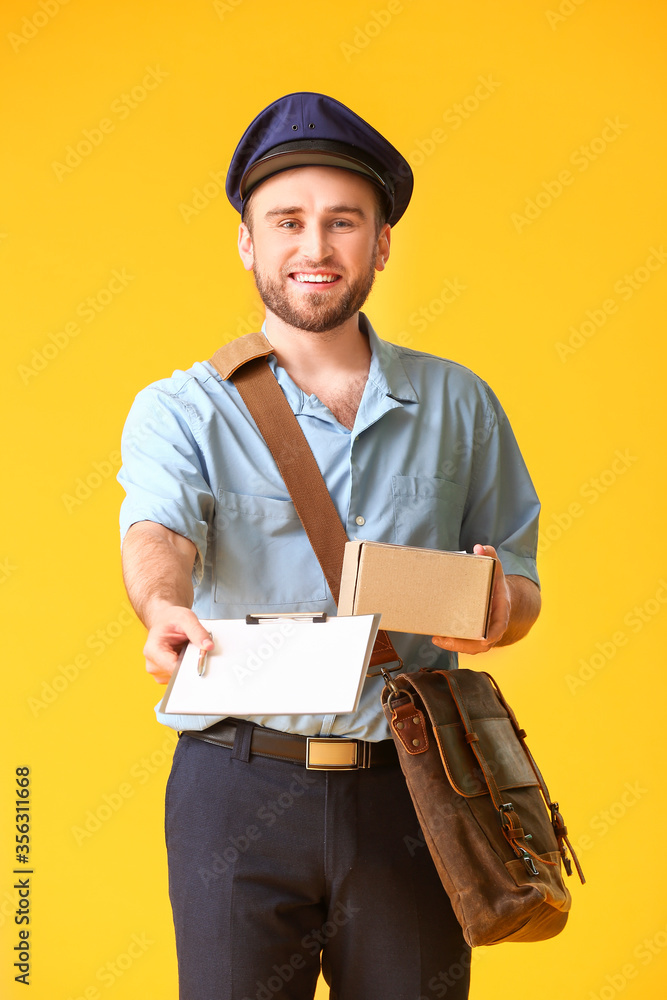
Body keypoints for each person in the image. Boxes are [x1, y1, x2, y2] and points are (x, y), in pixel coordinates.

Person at [118, 92, 541, 1000]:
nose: (314, 248)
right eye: (288, 222)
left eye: (342, 222)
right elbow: (157, 529)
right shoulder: (181, 408)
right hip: (234, 784)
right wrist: (162, 604)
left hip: (415, 791)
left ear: (380, 244)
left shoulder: (460, 404)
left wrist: (499, 607)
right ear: (248, 242)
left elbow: (522, 574)